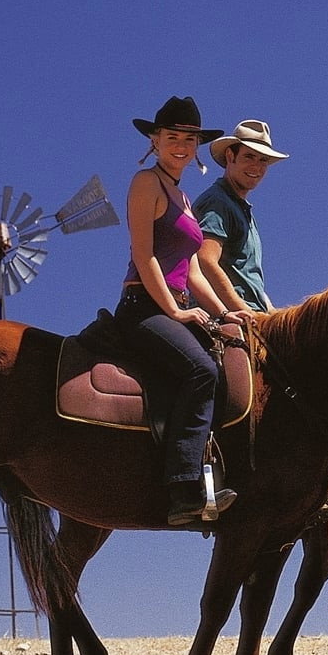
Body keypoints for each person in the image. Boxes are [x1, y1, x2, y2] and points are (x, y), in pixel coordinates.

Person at [119, 96, 254, 526]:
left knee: (233, 358)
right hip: (143, 306)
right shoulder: (146, 183)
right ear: (154, 140)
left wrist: (225, 313)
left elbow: (193, 269)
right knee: (201, 370)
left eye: (189, 139)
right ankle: (183, 488)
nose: (180, 146)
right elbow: (144, 255)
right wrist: (176, 313)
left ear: (197, 147)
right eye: (172, 137)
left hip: (173, 305)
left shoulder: (184, 197)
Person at [193, 120, 289, 314]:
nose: (256, 166)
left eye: (263, 160)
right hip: (225, 315)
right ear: (230, 156)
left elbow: (249, 279)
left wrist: (273, 314)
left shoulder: (241, 209)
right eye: (249, 156)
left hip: (252, 314)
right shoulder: (217, 201)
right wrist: (244, 310)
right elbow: (205, 260)